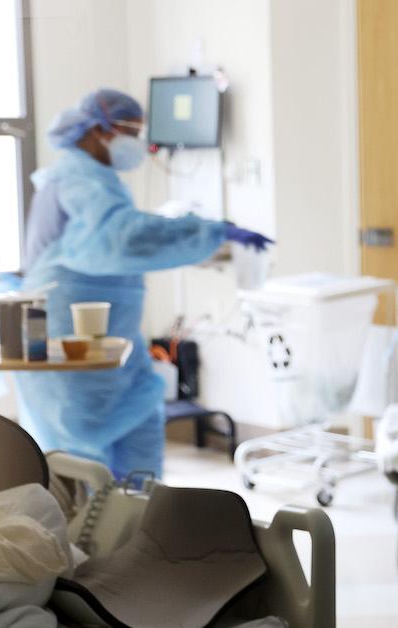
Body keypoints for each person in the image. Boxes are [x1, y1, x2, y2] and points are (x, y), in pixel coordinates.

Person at [15, 88, 272, 480]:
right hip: (66, 341)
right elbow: (122, 239)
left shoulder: (100, 178)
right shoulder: (76, 178)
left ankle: (140, 530)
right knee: (79, 458)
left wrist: (204, 234)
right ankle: (86, 539)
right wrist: (207, 232)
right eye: (129, 131)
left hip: (113, 340)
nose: (136, 143)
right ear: (98, 130)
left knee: (141, 425)